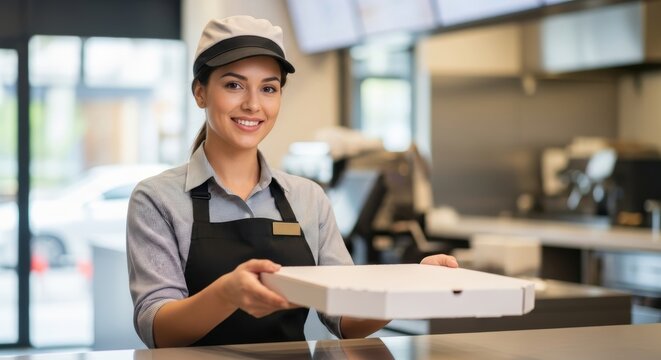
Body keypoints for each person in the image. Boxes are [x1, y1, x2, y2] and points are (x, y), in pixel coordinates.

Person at [126, 15, 458, 349]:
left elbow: (345, 318)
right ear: (200, 92)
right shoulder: (157, 198)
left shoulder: (307, 198)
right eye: (233, 85)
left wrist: (410, 287)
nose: (253, 104)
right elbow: (157, 329)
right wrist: (227, 294)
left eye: (268, 88)